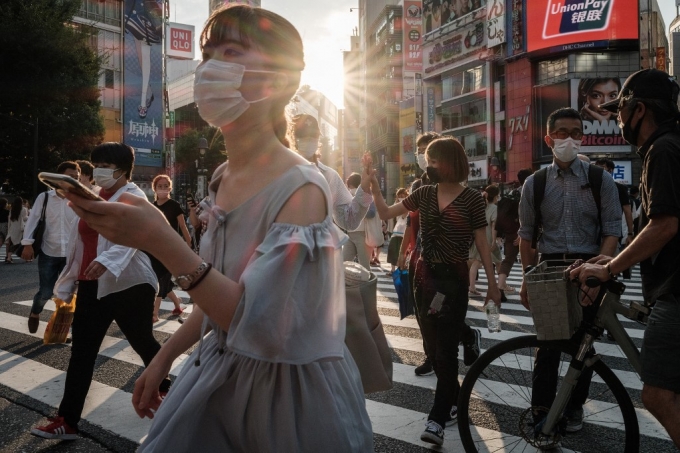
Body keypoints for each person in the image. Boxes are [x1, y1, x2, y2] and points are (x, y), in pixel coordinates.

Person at [62, 5, 372, 451]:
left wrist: (160, 239)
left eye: (231, 51)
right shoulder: (223, 176)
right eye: (208, 54)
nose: (210, 68)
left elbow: (260, 324)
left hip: (283, 398)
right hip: (215, 370)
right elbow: (217, 293)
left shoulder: (303, 188)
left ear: (280, 79)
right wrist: (164, 358)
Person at [31, 142, 171, 440]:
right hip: (92, 283)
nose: (99, 170)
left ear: (122, 169)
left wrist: (107, 260)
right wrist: (69, 284)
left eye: (105, 164)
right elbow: (78, 244)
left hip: (130, 284)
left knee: (144, 342)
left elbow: (133, 234)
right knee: (81, 353)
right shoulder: (92, 196)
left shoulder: (133, 196)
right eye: (96, 164)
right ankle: (67, 422)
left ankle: (172, 392)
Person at [571, 68, 680, 448]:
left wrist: (610, 268)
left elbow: (666, 225)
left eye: (620, 109)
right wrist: (611, 260)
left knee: (658, 395)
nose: (616, 117)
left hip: (677, 290)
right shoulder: (669, 145)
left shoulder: (663, 150)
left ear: (639, 110)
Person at [371, 136, 499, 447]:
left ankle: (437, 418)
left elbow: (482, 245)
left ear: (451, 162)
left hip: (452, 283)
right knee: (431, 348)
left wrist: (493, 286)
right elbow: (387, 213)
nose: (429, 167)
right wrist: (373, 184)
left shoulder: (473, 200)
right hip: (423, 278)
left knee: (445, 352)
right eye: (427, 161)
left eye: (433, 161)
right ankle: (450, 400)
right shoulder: (424, 193)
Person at [518, 107, 622, 433]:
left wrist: (597, 272)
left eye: (575, 132)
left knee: (583, 346)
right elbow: (526, 237)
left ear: (583, 137)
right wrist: (526, 279)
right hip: (549, 268)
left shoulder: (599, 179)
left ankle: (574, 407)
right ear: (548, 139)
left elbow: (612, 233)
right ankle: (542, 411)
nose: (569, 139)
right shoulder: (535, 183)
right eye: (561, 133)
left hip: (589, 266)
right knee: (547, 347)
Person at [22, 161, 80, 334]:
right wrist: (27, 244)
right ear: (60, 178)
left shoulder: (78, 199)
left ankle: (61, 330)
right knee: (46, 292)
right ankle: (35, 312)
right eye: (71, 177)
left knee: (67, 295)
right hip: (49, 251)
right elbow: (32, 220)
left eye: (77, 178)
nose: (75, 180)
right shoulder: (45, 197)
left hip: (71, 254)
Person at [399, 131, 439, 376]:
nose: (423, 155)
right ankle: (431, 356)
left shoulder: (453, 181)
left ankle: (464, 336)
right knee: (422, 310)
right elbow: (409, 222)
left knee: (440, 308)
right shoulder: (416, 185)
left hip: (446, 259)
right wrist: (403, 252)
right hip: (420, 255)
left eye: (428, 149)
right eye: (420, 150)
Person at [290, 113, 373, 231]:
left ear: (318, 139)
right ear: (292, 138)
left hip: (319, 247)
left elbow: (349, 221)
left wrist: (364, 187)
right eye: (303, 136)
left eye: (313, 136)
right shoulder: (280, 172)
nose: (308, 140)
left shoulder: (329, 176)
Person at [150, 174, 192, 321]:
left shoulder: (174, 205)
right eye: (160, 186)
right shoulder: (152, 206)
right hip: (154, 249)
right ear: (154, 188)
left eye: (166, 186)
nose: (163, 189)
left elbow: (183, 226)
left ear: (170, 188)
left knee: (161, 279)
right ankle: (177, 304)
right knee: (162, 281)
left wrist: (189, 245)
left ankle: (154, 314)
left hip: (170, 249)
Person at [495, 168, 532, 295]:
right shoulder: (529, 192)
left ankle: (500, 286)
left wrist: (500, 234)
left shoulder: (512, 193)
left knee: (508, 259)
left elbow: (502, 216)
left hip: (510, 233)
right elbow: (526, 215)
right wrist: (521, 233)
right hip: (524, 233)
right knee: (532, 261)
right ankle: (530, 288)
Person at [468, 184, 501, 296]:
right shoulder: (495, 209)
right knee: (498, 261)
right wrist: (493, 241)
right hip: (487, 239)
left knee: (476, 263)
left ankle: (472, 287)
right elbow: (493, 226)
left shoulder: (482, 206)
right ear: (496, 196)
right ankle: (501, 285)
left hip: (478, 237)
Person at [342, 172, 372, 270]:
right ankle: (368, 284)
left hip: (352, 233)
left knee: (343, 263)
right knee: (365, 265)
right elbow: (372, 213)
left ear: (349, 184)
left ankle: (344, 284)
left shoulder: (346, 195)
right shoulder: (366, 193)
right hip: (361, 233)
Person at [387, 188, 408, 275]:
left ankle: (400, 269)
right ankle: (392, 269)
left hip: (404, 232)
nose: (400, 198)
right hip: (396, 231)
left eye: (402, 196)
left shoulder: (409, 204)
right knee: (392, 250)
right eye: (399, 196)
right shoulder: (397, 204)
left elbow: (404, 215)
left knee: (402, 251)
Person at [5, 197, 28, 263]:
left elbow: (9, 220)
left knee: (13, 243)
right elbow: (25, 218)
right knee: (24, 243)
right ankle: (27, 258)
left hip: (13, 228)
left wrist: (9, 229)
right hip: (21, 228)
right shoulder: (24, 209)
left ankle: (9, 257)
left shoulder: (12, 210)